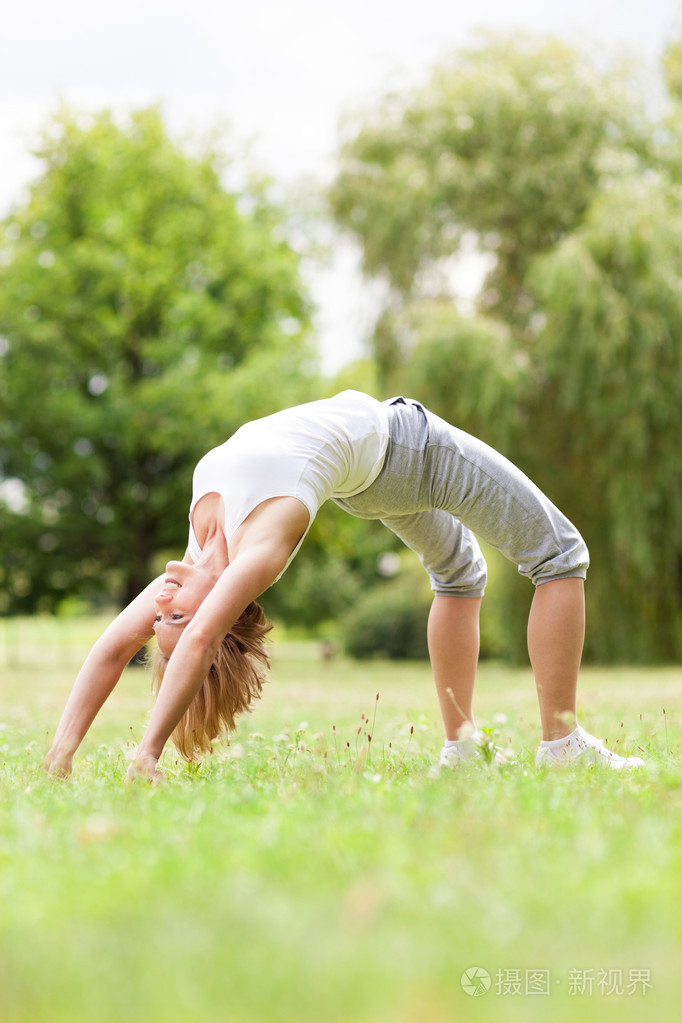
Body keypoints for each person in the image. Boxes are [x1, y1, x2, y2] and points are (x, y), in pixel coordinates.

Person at [44, 390, 644, 782]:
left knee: (460, 575)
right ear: (219, 616)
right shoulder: (257, 556)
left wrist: (61, 753)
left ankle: (461, 750)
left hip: (368, 477)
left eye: (163, 620)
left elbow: (111, 648)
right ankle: (562, 744)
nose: (163, 606)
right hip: (408, 449)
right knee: (561, 554)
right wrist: (147, 752)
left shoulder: (197, 558)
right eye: (174, 618)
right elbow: (198, 640)